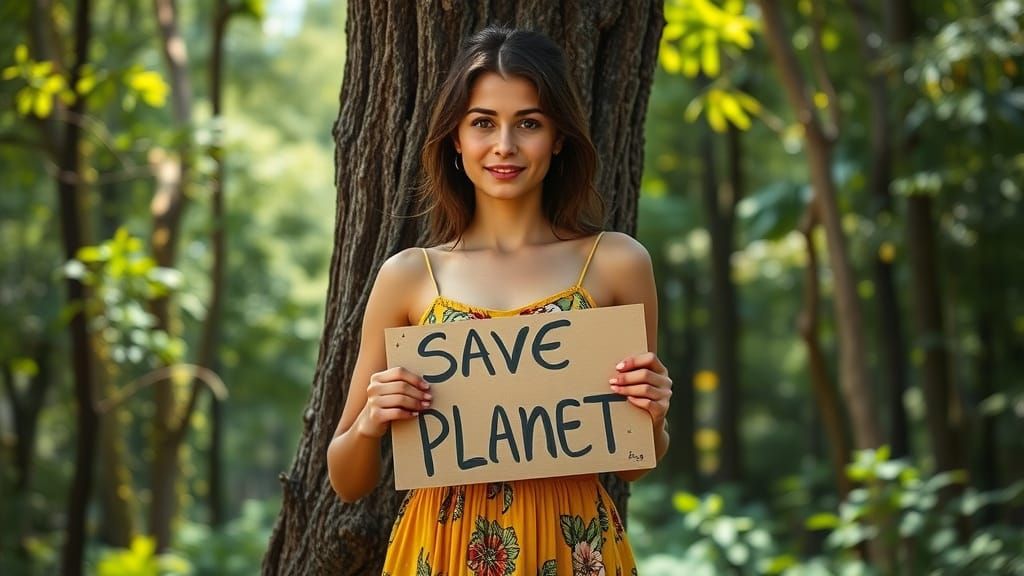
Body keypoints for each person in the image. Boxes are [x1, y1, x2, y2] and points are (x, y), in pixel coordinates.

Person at [326, 25, 672, 576]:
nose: (504, 146)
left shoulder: (615, 263)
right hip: (440, 550)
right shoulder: (410, 276)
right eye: (483, 122)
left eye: (528, 123)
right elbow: (346, 480)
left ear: (558, 137)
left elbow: (635, 466)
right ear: (456, 138)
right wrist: (372, 419)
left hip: (575, 546)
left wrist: (652, 412)